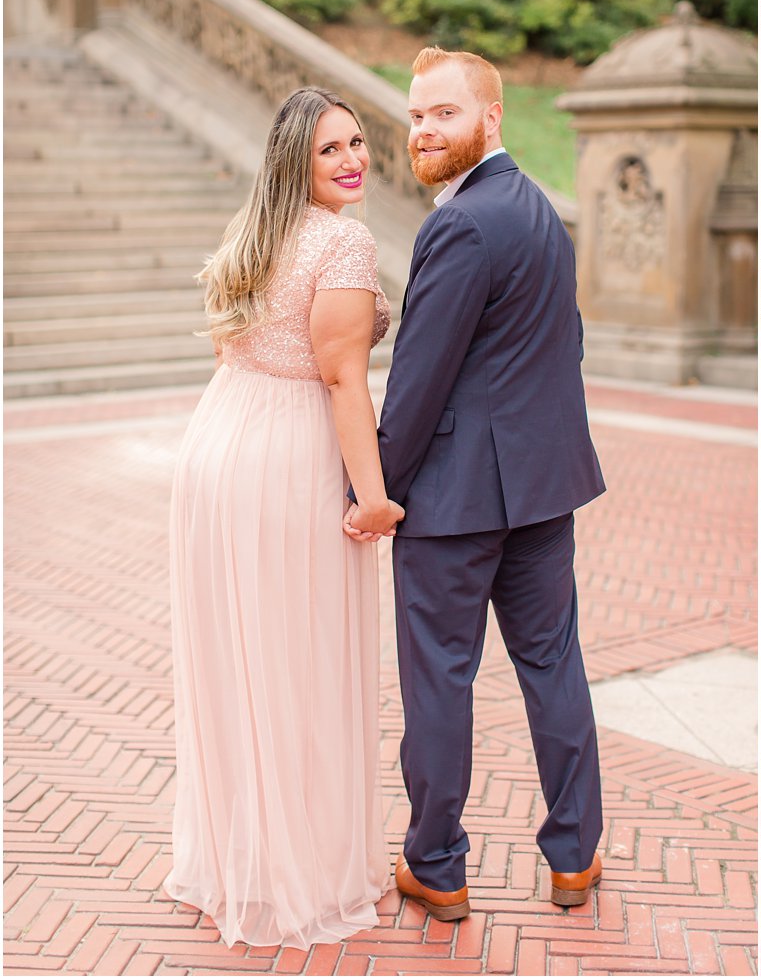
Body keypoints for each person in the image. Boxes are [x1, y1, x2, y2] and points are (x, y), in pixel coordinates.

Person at [345, 47, 607, 919]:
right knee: (553, 667)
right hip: (541, 491)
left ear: (491, 117)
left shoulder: (458, 224)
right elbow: (564, 346)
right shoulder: (541, 211)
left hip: (454, 502)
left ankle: (438, 863)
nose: (423, 130)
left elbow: (418, 379)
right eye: (416, 116)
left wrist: (374, 484)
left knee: (440, 682)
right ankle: (574, 856)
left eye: (443, 114)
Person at [167, 87, 402, 947]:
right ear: (296, 162)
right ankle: (299, 872)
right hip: (285, 459)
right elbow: (344, 377)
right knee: (300, 661)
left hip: (218, 443)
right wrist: (372, 494)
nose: (352, 160)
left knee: (242, 658)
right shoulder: (343, 239)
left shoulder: (255, 230)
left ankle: (242, 864)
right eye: (329, 150)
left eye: (357, 142)